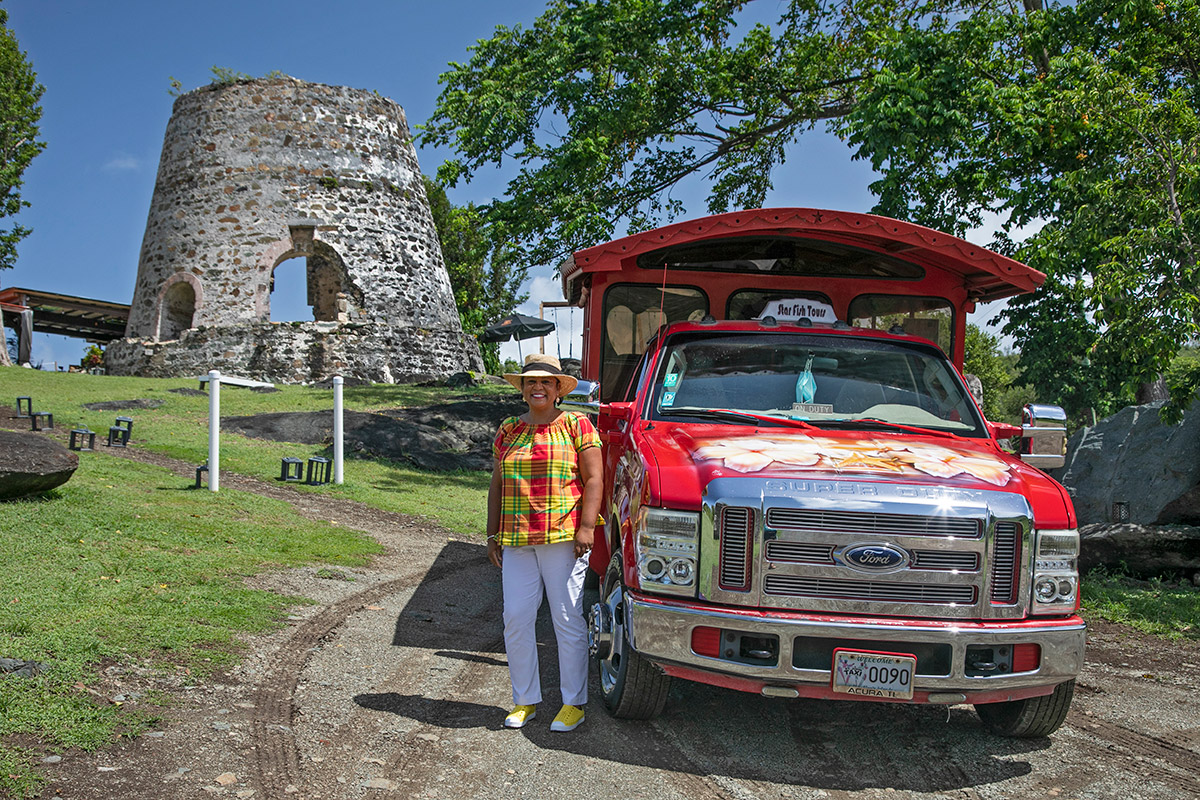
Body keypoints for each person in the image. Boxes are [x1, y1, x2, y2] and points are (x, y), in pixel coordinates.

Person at [487, 353, 603, 732]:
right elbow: (497, 484)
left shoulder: (577, 425)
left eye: (546, 382)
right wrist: (492, 533)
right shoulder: (508, 429)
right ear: (522, 390)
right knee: (516, 619)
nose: (538, 387)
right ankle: (525, 701)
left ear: (558, 390)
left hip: (563, 537)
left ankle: (574, 703)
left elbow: (595, 479)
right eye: (530, 382)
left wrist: (587, 527)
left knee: (567, 618)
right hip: (517, 538)